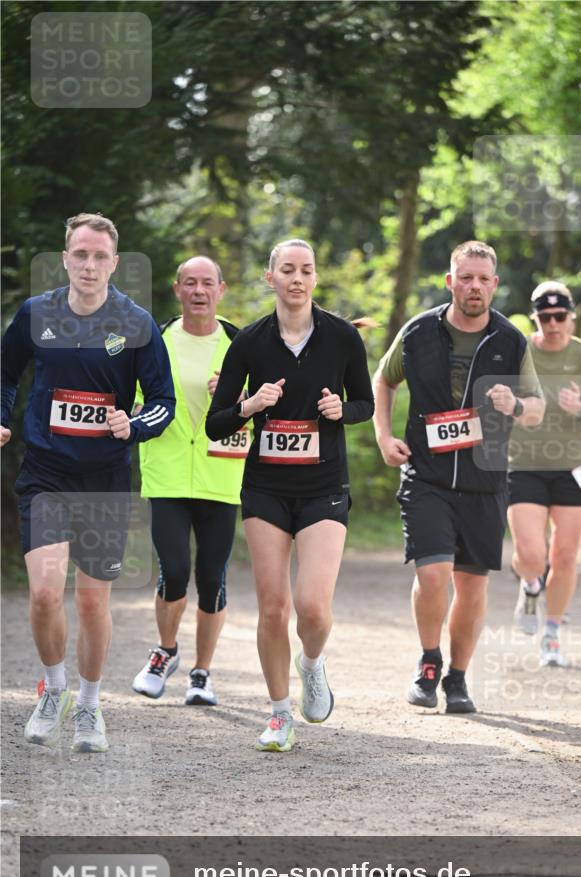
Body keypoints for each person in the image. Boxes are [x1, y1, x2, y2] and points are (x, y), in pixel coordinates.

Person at [0, 212, 175, 752]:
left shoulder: (137, 322)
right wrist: (3, 417)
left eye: (101, 257)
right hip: (47, 472)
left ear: (114, 263)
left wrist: (135, 422)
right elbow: (5, 372)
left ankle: (91, 706)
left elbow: (163, 402)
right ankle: (54, 690)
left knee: (94, 604)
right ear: (66, 257)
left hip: (105, 478)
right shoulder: (37, 313)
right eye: (81, 254)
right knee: (47, 594)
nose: (90, 265)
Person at [206, 239, 374, 752]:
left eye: (306, 270)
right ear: (270, 277)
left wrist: (338, 412)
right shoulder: (251, 342)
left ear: (315, 279)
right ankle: (280, 713)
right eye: (287, 270)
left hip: (324, 486)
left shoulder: (342, 338)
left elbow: (364, 403)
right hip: (267, 488)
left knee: (313, 609)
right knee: (274, 607)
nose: (297, 278)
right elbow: (215, 425)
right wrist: (250, 404)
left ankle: (312, 663)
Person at [373, 240, 545, 713]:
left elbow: (537, 409)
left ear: (495, 285)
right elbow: (384, 380)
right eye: (464, 277)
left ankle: (458, 678)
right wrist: (385, 438)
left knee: (472, 586)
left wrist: (518, 405)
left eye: (482, 279)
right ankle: (428, 663)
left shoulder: (510, 341)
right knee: (432, 574)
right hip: (426, 476)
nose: (473, 286)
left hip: (485, 480)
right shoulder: (418, 331)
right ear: (450, 281)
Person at [131, 256, 243, 705]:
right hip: (167, 473)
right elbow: (137, 401)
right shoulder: (155, 340)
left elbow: (262, 409)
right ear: (177, 289)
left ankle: (202, 673)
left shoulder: (241, 345)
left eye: (207, 283)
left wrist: (236, 397)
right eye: (190, 283)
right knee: (174, 570)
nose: (199, 291)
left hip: (221, 473)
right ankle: (166, 651)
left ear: (221, 289)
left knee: (212, 577)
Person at [508, 281, 581, 666]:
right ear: (535, 316)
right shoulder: (519, 349)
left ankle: (551, 634)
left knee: (566, 554)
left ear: (570, 316)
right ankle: (530, 582)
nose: (553, 323)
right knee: (530, 553)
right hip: (523, 463)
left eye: (560, 316)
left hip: (573, 468)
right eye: (544, 316)